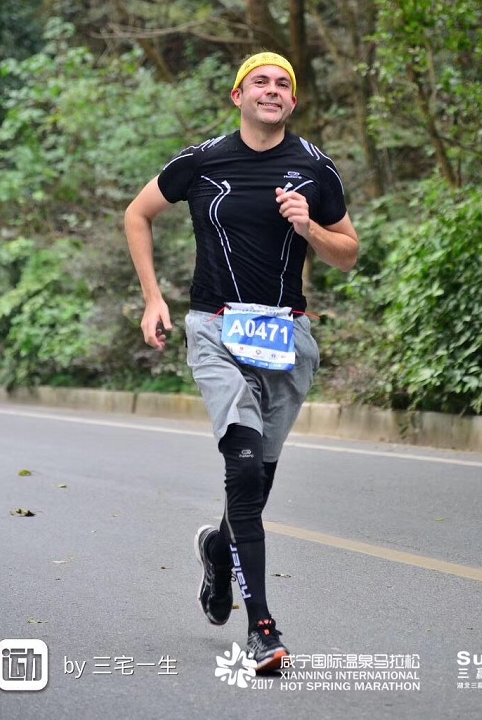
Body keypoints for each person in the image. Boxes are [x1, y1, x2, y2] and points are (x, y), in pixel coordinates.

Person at [124, 51, 359, 673]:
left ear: (293, 102)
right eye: (261, 81)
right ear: (238, 96)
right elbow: (138, 214)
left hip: (286, 337)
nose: (272, 90)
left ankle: (218, 549)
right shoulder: (202, 161)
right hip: (216, 329)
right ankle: (262, 629)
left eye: (283, 83)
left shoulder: (315, 168)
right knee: (243, 463)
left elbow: (348, 253)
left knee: (258, 480)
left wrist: (310, 227)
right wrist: (153, 297)